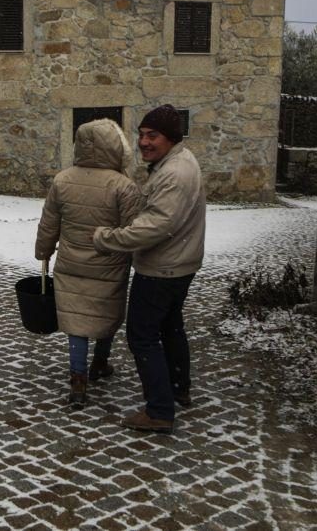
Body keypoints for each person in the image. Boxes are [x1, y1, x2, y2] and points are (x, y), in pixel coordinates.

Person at [93, 104, 206, 434]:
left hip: (162, 268)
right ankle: (179, 387)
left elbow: (155, 226)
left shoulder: (173, 174)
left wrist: (106, 238)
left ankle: (159, 409)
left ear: (171, 137)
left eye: (152, 136)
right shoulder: (178, 162)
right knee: (170, 327)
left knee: (141, 336)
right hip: (180, 262)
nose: (144, 142)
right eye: (141, 135)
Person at [35, 119, 143, 408]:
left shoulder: (63, 180)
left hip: (71, 264)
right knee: (105, 315)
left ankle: (78, 380)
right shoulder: (124, 186)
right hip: (108, 266)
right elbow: (131, 231)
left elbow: (49, 224)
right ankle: (100, 363)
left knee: (78, 323)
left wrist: (43, 252)